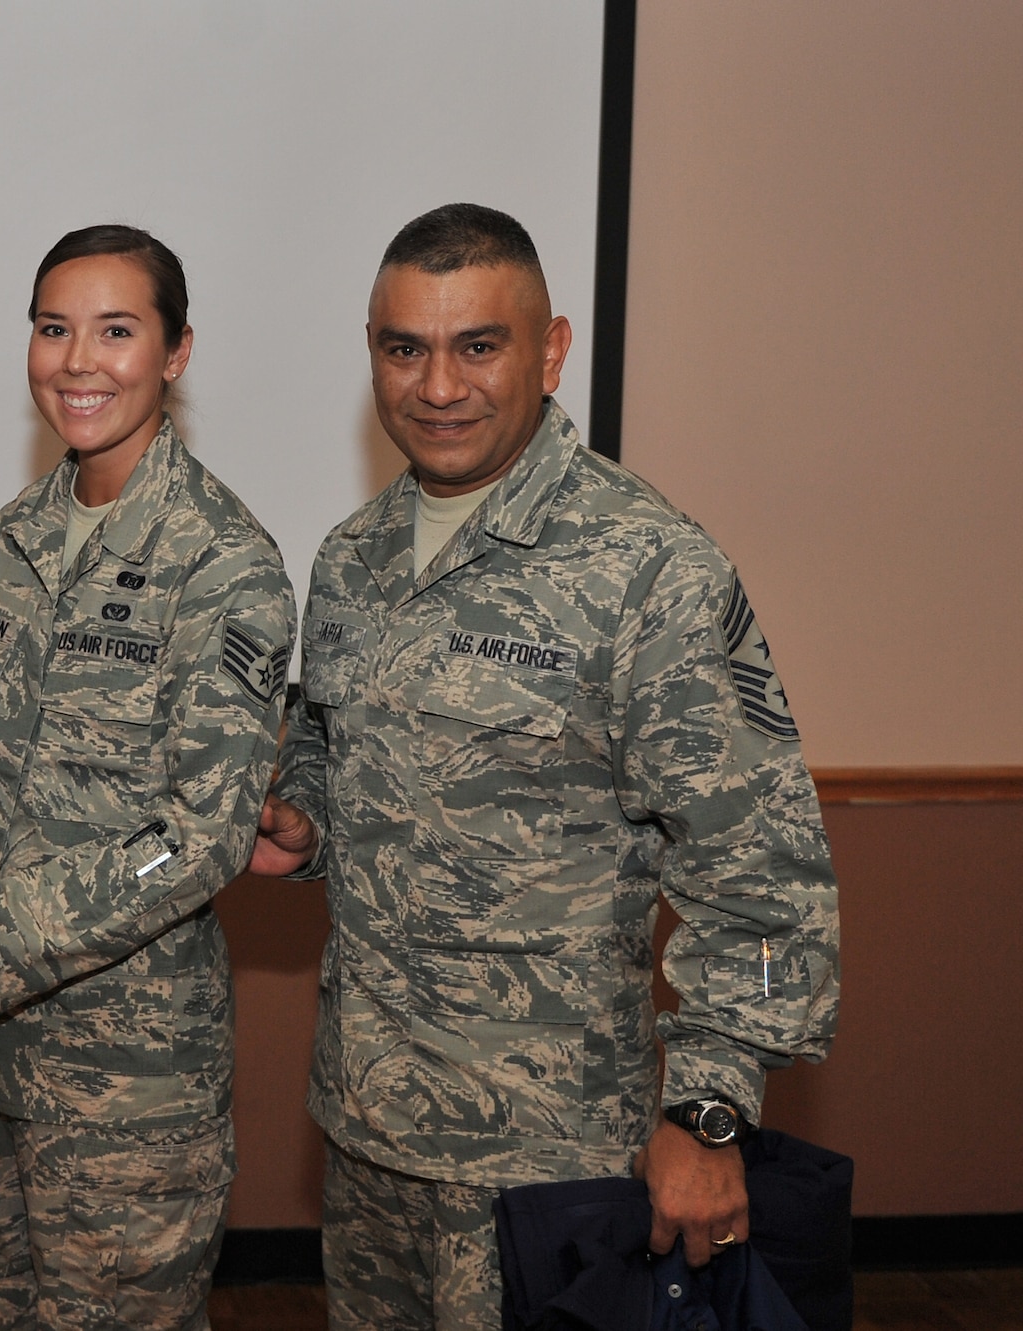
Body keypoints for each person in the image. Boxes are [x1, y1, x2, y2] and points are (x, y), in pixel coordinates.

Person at [250, 203, 839, 1331]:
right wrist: (306, 822)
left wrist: (709, 1114)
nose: (437, 385)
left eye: (478, 345)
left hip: (552, 1155)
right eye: (403, 348)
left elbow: (758, 870)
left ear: (550, 348)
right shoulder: (352, 559)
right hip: (369, 1128)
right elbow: (331, 752)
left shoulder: (643, 566)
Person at [0, 225, 296, 1328]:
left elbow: (197, 834)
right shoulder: (2, 549)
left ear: (175, 352)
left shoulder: (222, 561)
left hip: (128, 1089)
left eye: (115, 330)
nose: (77, 360)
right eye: (53, 328)